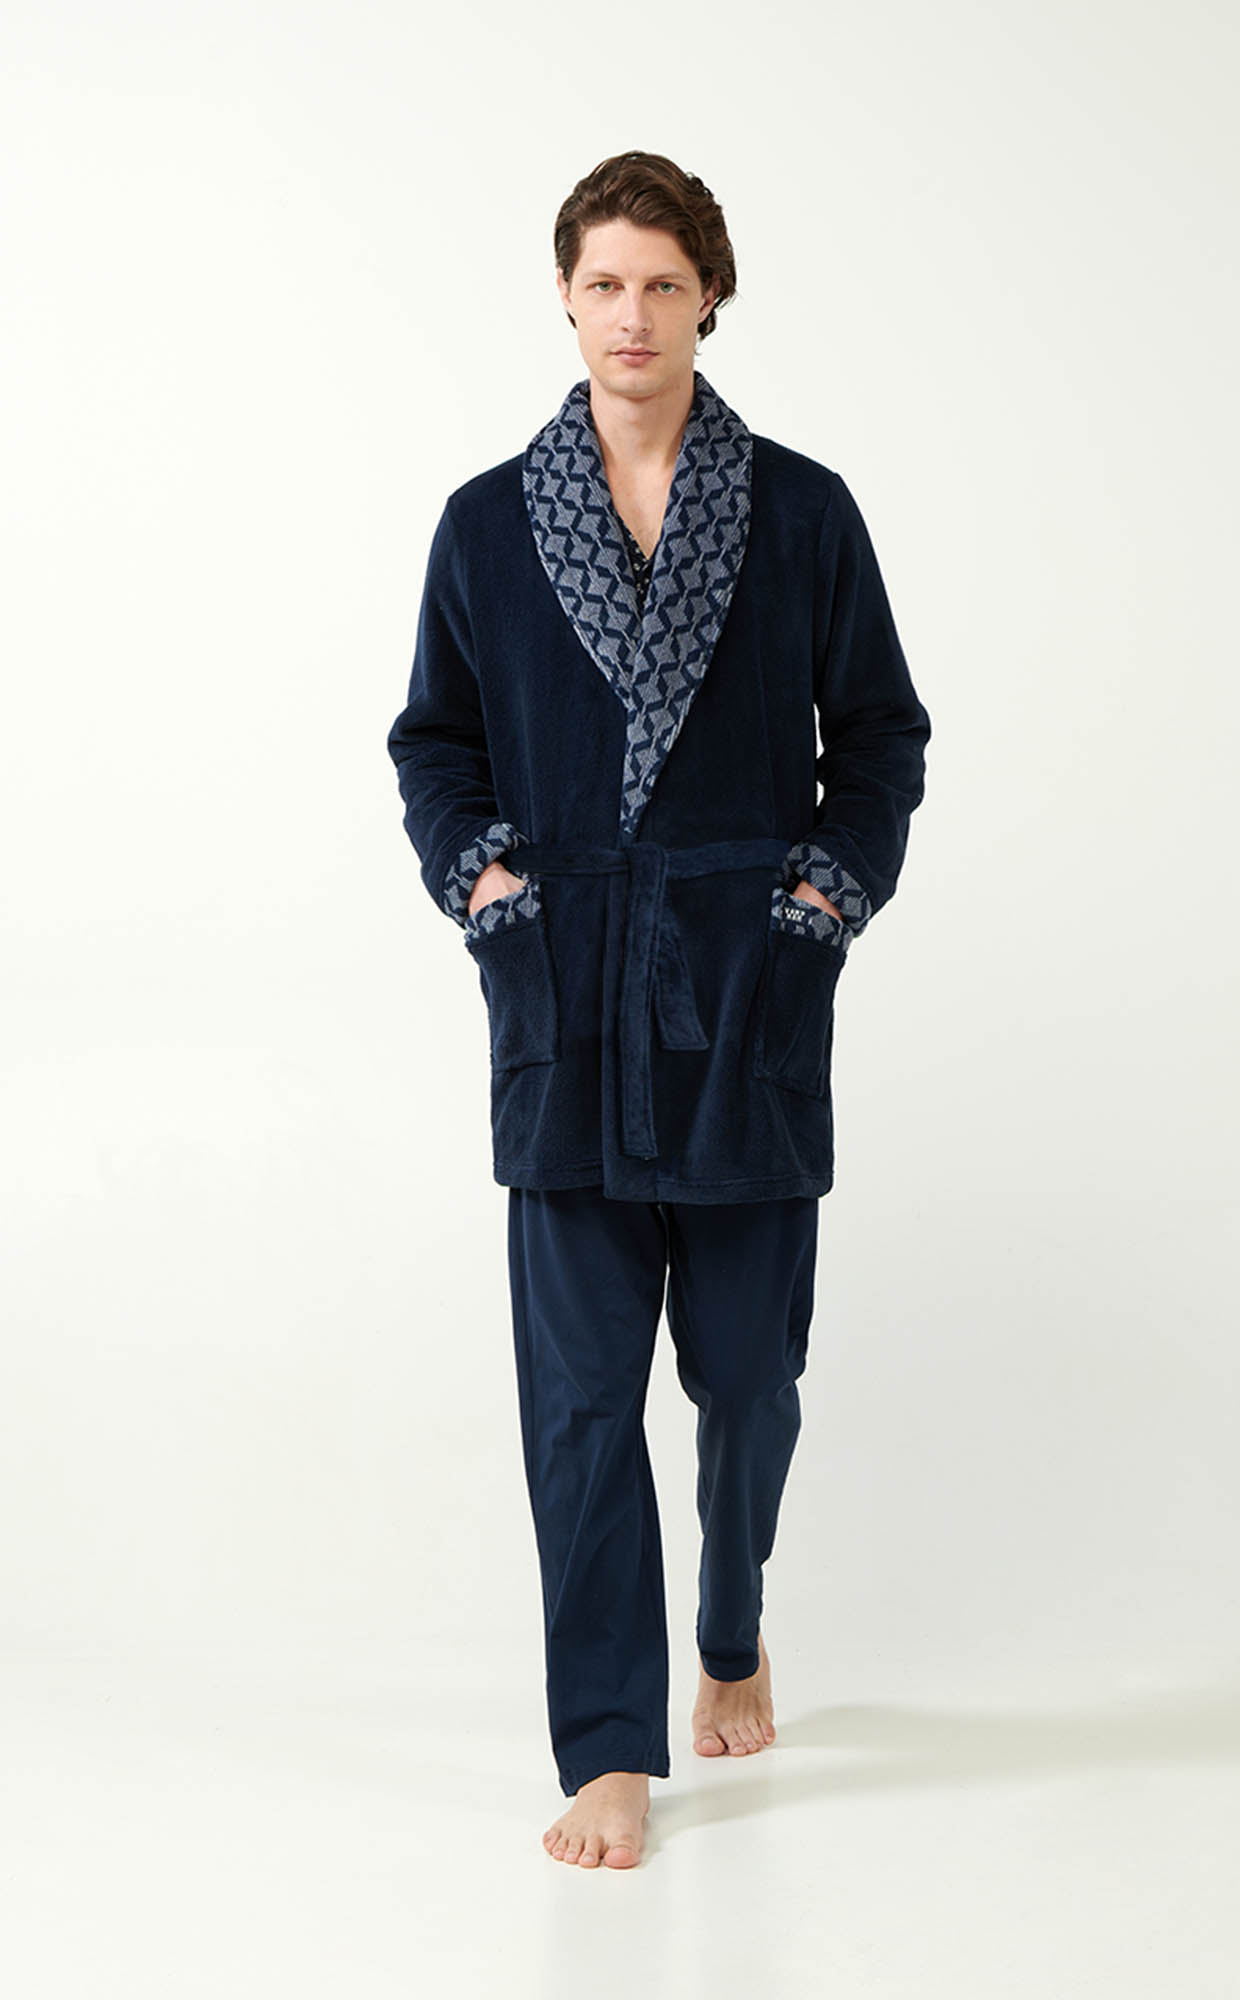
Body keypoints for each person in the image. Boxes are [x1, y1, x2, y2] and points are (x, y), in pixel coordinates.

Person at [386, 150, 931, 1869]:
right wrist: (490, 887)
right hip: (564, 1003)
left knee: (750, 1379)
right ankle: (611, 1746)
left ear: (711, 299)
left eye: (664, 284)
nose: (633, 314)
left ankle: (733, 1616)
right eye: (605, 283)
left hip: (744, 994)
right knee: (578, 1402)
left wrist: (816, 906)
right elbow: (434, 743)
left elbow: (882, 739)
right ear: (565, 298)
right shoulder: (486, 524)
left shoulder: (805, 513)